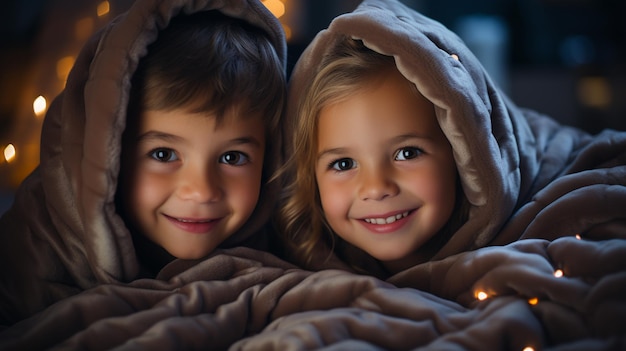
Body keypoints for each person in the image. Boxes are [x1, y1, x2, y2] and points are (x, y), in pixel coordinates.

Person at [279, 0, 626, 279]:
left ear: (463, 151)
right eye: (343, 163)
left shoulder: (563, 229)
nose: (376, 187)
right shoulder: (300, 259)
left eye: (407, 152)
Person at [0, 0, 286, 326]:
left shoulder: (281, 245)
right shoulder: (31, 248)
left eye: (232, 157)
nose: (201, 191)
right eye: (163, 154)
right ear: (107, 152)